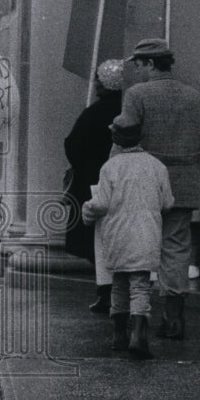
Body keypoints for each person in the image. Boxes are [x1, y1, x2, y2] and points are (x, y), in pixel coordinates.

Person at [117, 38, 200, 340]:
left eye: (139, 65)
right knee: (177, 247)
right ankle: (174, 317)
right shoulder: (194, 96)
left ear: (151, 64)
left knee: (140, 245)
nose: (137, 72)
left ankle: (138, 317)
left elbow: (126, 134)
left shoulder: (136, 94)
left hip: (147, 178)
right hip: (185, 179)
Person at [82, 121, 173, 359]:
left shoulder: (110, 167)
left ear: (116, 140)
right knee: (141, 285)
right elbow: (168, 203)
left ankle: (118, 334)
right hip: (146, 233)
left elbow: (101, 203)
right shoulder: (157, 166)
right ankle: (139, 334)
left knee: (119, 283)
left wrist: (86, 211)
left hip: (117, 234)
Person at [63, 58, 124, 315]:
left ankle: (106, 292)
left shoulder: (93, 113)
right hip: (121, 182)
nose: (96, 83)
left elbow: (73, 144)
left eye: (99, 79)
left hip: (93, 182)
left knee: (98, 240)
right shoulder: (126, 110)